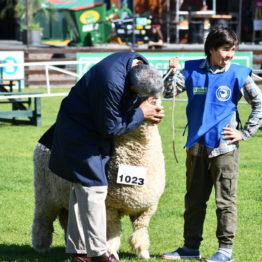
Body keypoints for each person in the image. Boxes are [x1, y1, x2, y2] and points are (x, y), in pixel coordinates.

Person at [43, 51, 164, 262]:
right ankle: (99, 253)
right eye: (136, 94)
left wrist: (151, 109)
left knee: (81, 191)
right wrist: (141, 113)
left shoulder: (140, 65)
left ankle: (79, 253)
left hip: (93, 130)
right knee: (94, 189)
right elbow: (110, 126)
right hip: (79, 133)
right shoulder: (111, 83)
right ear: (131, 85)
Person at [162, 27, 262, 262]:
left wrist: (245, 132)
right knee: (194, 201)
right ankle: (190, 248)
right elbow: (168, 93)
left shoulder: (239, 74)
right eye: (226, 49)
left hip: (224, 149)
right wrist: (171, 72)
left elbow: (259, 103)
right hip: (196, 147)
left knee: (225, 201)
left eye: (233, 50)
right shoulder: (191, 69)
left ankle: (225, 251)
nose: (230, 55)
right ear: (211, 49)